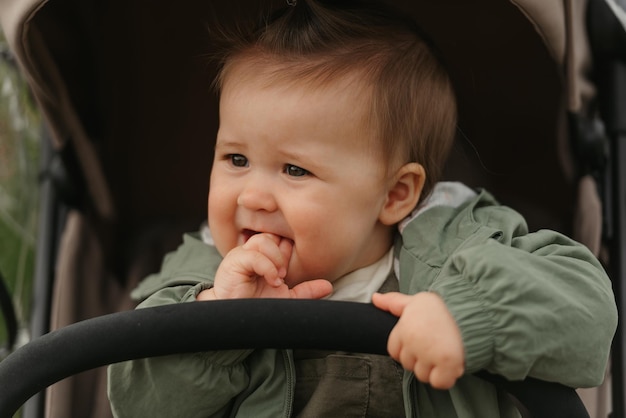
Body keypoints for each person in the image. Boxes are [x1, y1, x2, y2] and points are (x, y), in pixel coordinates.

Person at [107, 0, 618, 416]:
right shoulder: (200, 272)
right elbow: (134, 399)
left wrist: (472, 316)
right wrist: (218, 320)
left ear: (395, 195)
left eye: (294, 170)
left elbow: (586, 310)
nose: (253, 197)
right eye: (236, 159)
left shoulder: (457, 246)